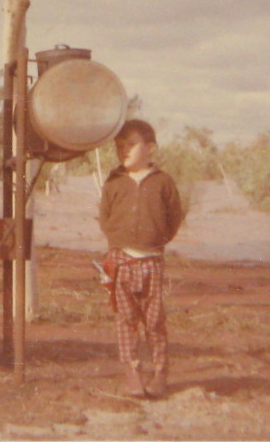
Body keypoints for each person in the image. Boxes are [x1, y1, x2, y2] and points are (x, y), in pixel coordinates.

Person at [99, 119, 182, 398]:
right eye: (120, 146)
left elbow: (173, 219)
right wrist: (118, 244)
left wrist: (154, 242)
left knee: (155, 319)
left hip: (151, 261)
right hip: (120, 260)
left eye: (131, 145)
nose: (124, 150)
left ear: (150, 148)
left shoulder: (163, 181)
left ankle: (160, 372)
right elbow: (106, 216)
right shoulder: (114, 181)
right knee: (125, 318)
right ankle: (132, 371)